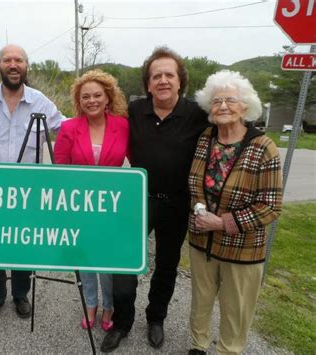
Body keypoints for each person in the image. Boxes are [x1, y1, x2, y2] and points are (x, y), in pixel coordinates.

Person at [100, 46, 210, 353]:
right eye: (156, 75)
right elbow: (99, 120)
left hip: (177, 202)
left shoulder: (197, 114)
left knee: (167, 264)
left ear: (179, 81)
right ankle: (122, 322)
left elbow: (233, 124)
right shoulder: (134, 111)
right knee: (124, 262)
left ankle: (156, 318)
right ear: (148, 83)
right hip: (138, 199)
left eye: (169, 75)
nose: (163, 80)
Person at [187, 70, 282, 355]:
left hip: (242, 249)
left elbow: (270, 206)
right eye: (216, 101)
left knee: (236, 309)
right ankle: (198, 345)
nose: (223, 106)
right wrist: (200, 208)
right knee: (200, 301)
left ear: (245, 106)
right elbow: (194, 181)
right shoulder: (206, 138)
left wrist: (221, 222)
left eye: (230, 100)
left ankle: (229, 350)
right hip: (201, 242)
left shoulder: (264, 147)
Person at [0, 44, 64, 321]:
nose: (13, 64)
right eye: (7, 60)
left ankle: (21, 294)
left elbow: (66, 129)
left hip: (29, 194)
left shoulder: (42, 103)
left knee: (24, 245)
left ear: (26, 66)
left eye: (18, 60)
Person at [54, 69, 129, 332]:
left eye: (97, 95)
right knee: (84, 259)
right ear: (79, 100)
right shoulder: (68, 128)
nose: (92, 100)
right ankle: (90, 303)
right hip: (79, 206)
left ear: (107, 97)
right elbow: (60, 170)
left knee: (107, 261)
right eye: (85, 96)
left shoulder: (122, 125)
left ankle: (108, 306)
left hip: (110, 207)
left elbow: (138, 161)